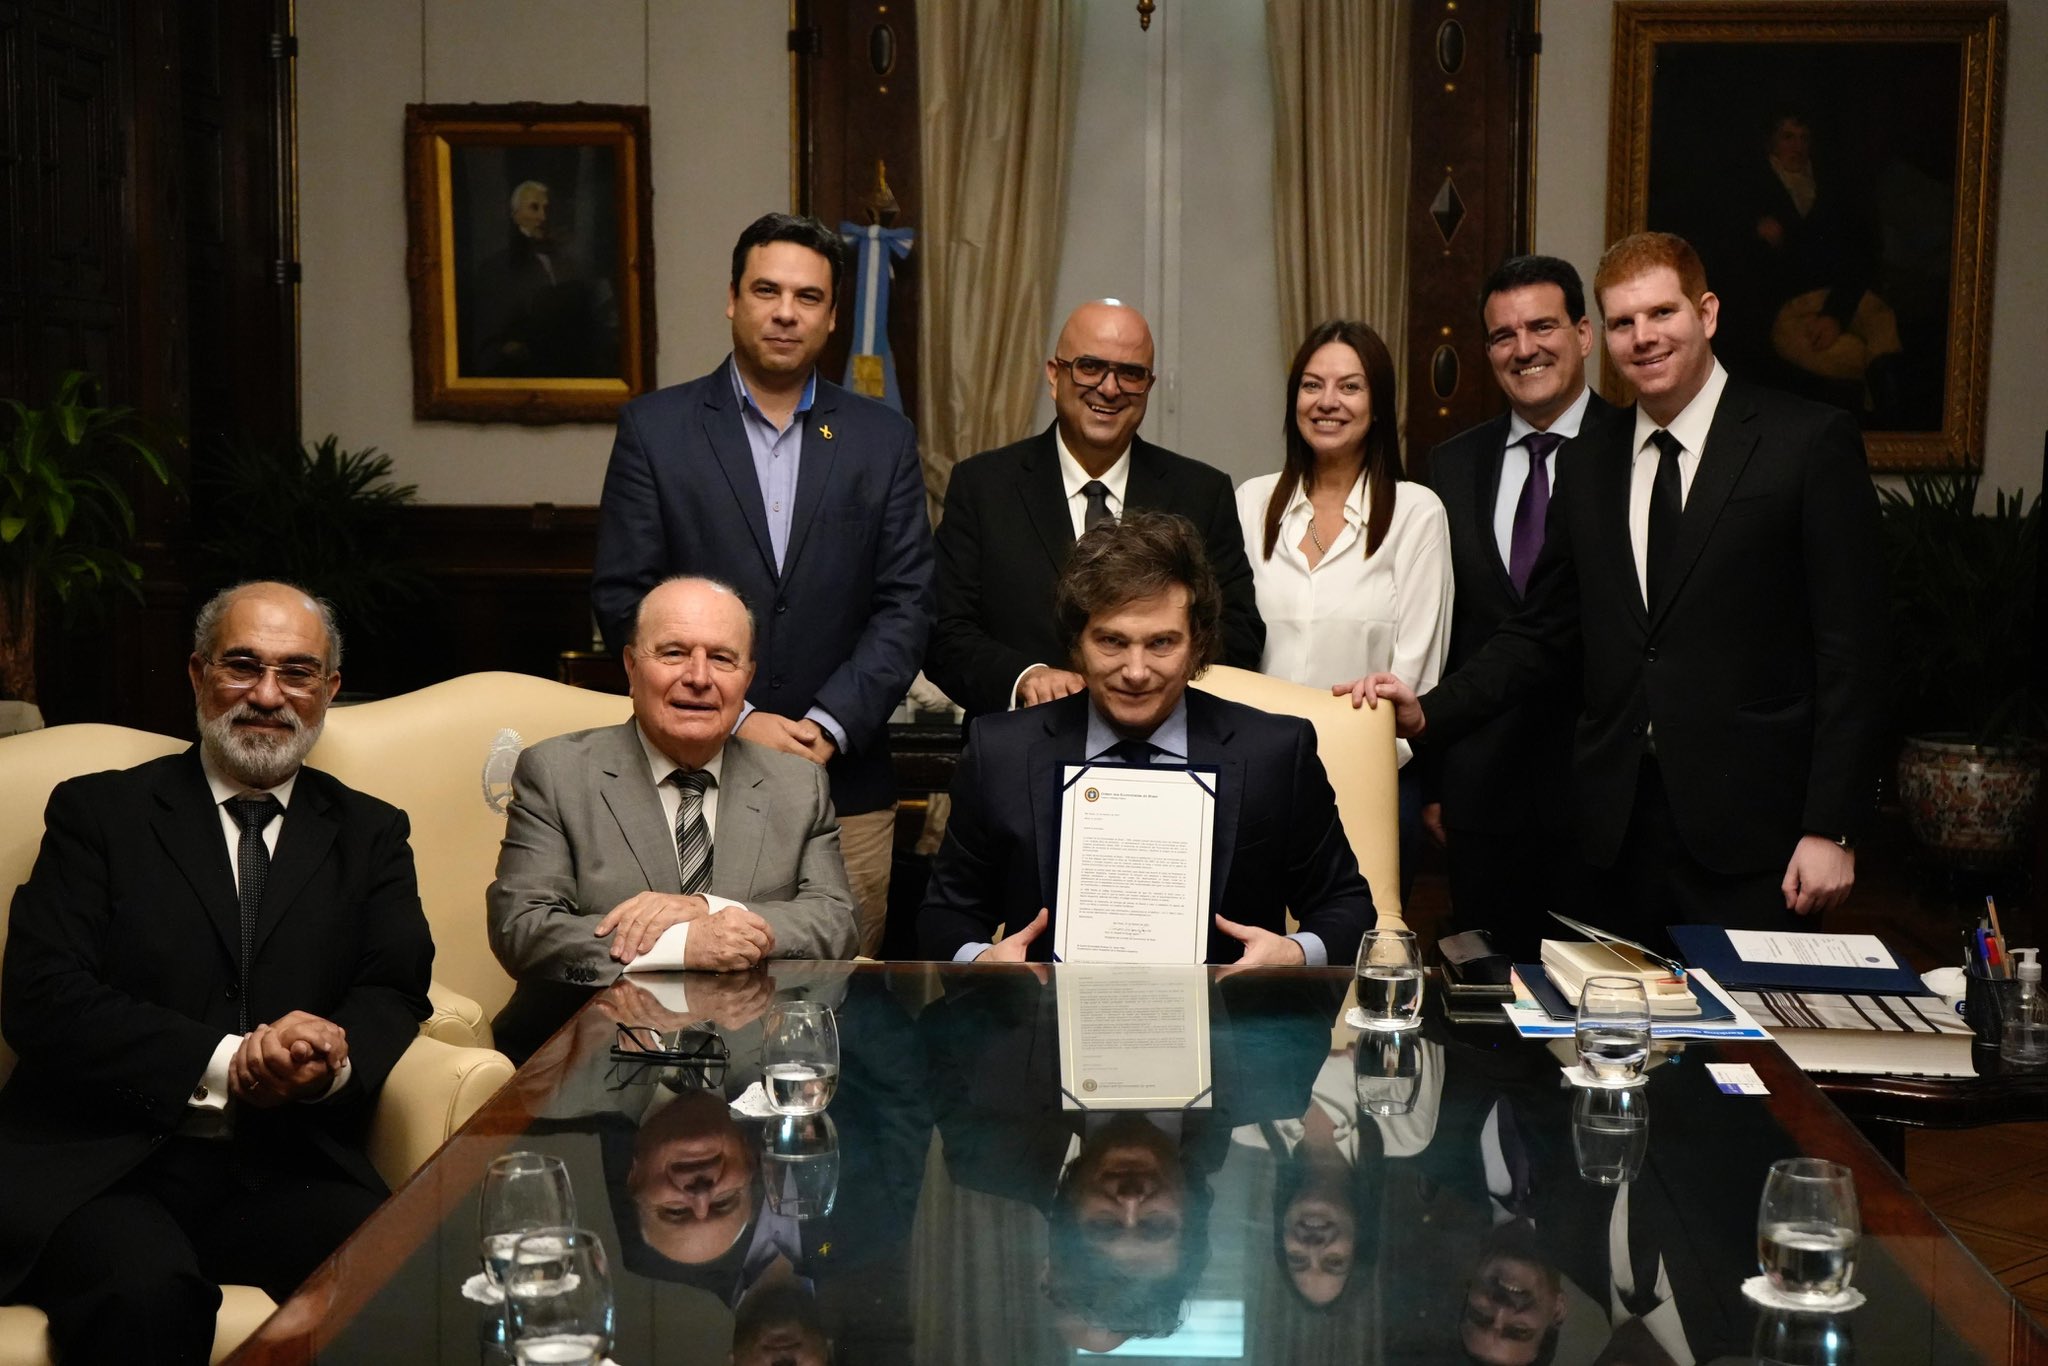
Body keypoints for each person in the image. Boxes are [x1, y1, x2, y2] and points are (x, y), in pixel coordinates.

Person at [1350, 232, 1887, 949]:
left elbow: (1854, 650)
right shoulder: (1591, 462)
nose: (1643, 337)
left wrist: (1833, 825)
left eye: (1661, 313)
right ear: (1602, 335)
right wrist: (1429, 713)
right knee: (1618, 1049)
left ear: (1708, 314)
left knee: (1746, 1055)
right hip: (1612, 835)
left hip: (1757, 837)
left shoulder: (1806, 441)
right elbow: (1542, 630)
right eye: (1624, 322)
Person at [0, 581, 434, 1365]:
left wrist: (324, 1061)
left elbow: (393, 987)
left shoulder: (371, 833)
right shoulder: (100, 814)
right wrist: (229, 1062)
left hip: (283, 1162)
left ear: (329, 691)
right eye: (243, 666)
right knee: (147, 1295)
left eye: (297, 672)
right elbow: (41, 997)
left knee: (405, 1273)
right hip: (107, 1164)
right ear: (198, 676)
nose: (269, 695)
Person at [590, 212, 933, 958]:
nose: (786, 312)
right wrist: (740, 718)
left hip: (843, 781)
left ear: (833, 315)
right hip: (689, 776)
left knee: (839, 1006)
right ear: (733, 300)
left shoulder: (882, 438)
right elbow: (624, 596)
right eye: (767, 290)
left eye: (808, 297)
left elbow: (907, 602)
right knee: (687, 991)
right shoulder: (657, 428)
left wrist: (827, 726)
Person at [919, 510, 1373, 967]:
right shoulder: (1001, 753)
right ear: (1077, 643)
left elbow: (1347, 907)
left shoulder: (1275, 751)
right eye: (1112, 641)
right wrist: (983, 964)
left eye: (1161, 643)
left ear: (1197, 644)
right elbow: (945, 916)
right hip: (1044, 1024)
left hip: (1231, 1024)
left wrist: (1294, 953)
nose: (1135, 672)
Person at [487, 577, 857, 1061]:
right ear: (630, 667)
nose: (699, 677)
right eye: (674, 653)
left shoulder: (797, 783)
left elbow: (837, 922)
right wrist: (686, 944)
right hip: (589, 1064)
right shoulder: (557, 774)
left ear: (747, 678)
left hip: (748, 1066)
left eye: (723, 658)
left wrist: (710, 908)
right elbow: (525, 929)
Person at [1420, 257, 1623, 960]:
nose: (1524, 347)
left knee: (1600, 1004)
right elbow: (1447, 630)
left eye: (1542, 325)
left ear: (1584, 333)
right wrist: (1437, 778)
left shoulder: (1635, 452)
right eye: (1503, 335)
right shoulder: (1452, 466)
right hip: (1482, 794)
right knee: (1488, 1015)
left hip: (1602, 796)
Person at [926, 299, 1264, 719]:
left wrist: (1152, 689)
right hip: (1016, 750)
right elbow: (944, 631)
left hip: (1164, 758)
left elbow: (1239, 635)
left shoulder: (1201, 492)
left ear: (1149, 386)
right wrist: (1025, 677)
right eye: (1090, 367)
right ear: (1055, 375)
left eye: (1130, 374)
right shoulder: (983, 486)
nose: (1109, 388)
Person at [1235, 318, 1451, 897]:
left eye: (1350, 387)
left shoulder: (1416, 513)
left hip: (1372, 782)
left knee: (1362, 958)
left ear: (1378, 405)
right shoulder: (1251, 502)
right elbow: (1228, 653)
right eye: (1312, 385)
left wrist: (1360, 758)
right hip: (1257, 781)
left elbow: (1417, 673)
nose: (1328, 402)